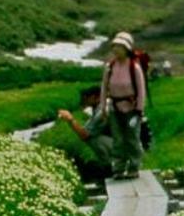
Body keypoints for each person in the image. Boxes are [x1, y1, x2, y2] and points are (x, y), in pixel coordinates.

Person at [57, 31, 149, 179]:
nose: (115, 50)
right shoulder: (110, 66)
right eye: (114, 46)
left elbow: (141, 90)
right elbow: (104, 87)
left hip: (131, 108)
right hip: (114, 108)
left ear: (126, 48)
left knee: (132, 138)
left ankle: (134, 167)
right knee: (119, 139)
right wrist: (105, 108)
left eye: (118, 46)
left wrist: (139, 110)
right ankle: (118, 168)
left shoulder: (134, 68)